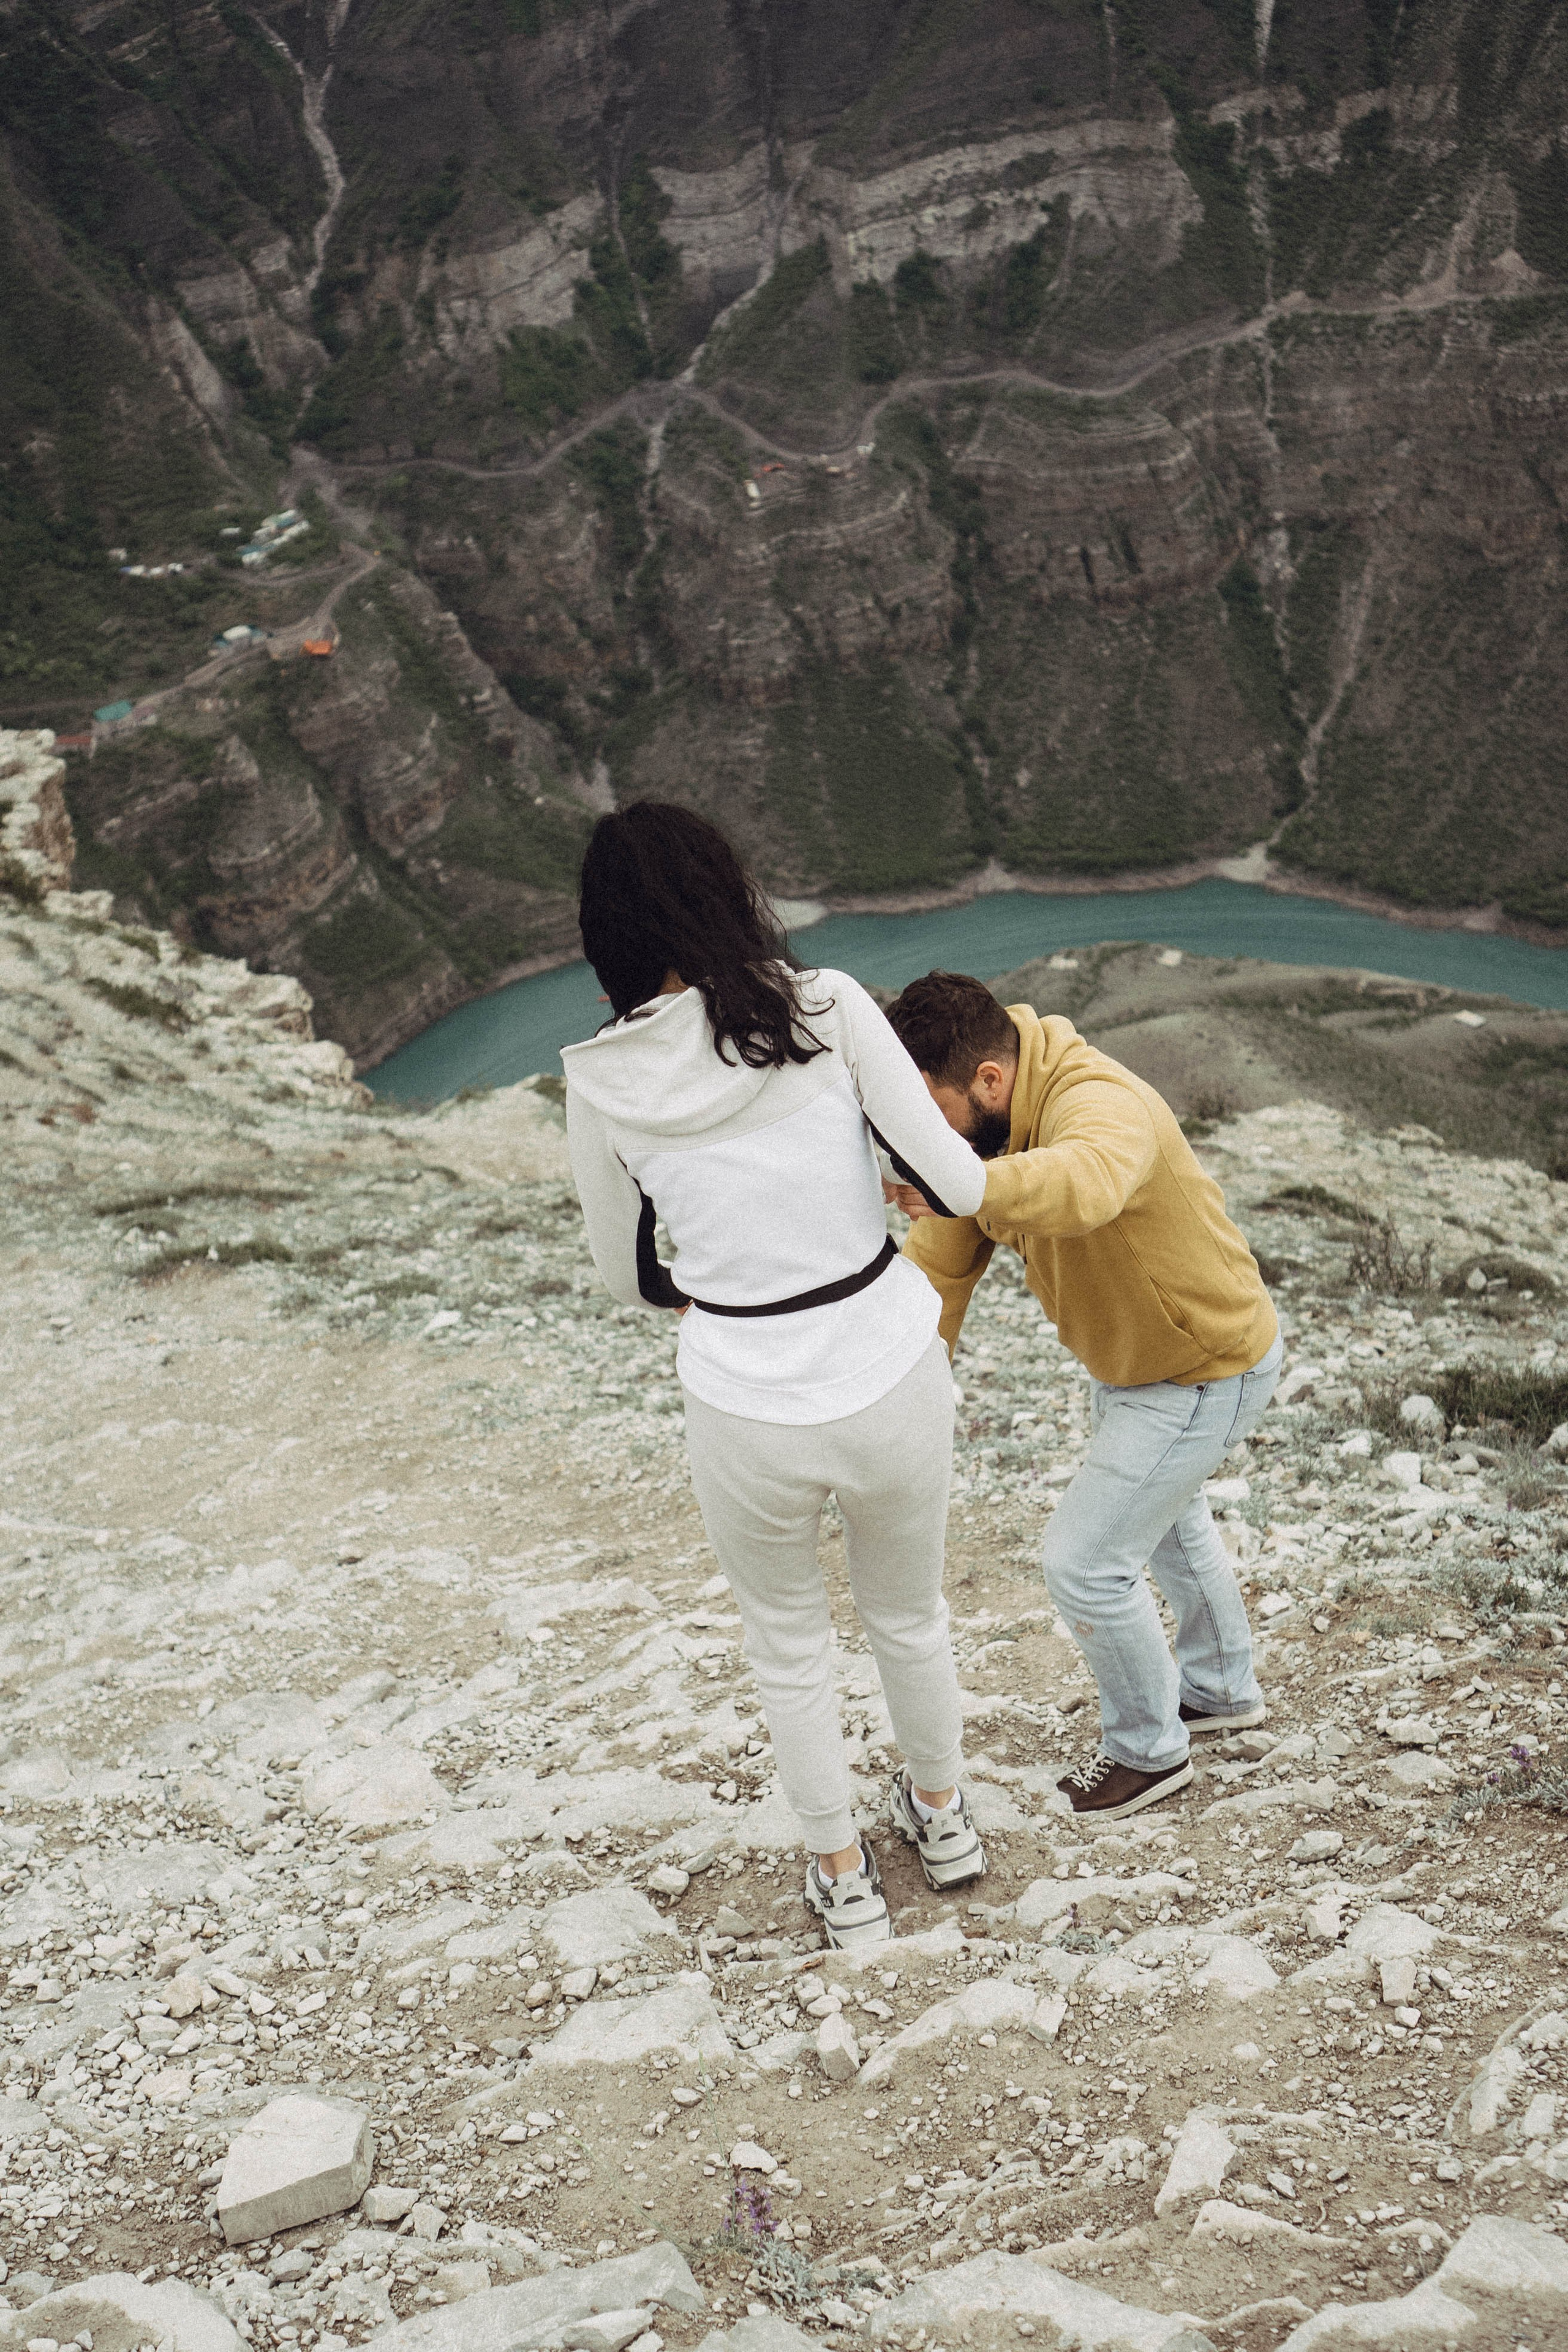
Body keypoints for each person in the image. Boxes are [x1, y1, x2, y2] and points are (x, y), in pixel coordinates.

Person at [563, 807, 991, 1946]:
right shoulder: (831, 1007)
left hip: (744, 1398)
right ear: (727, 892)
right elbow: (955, 1180)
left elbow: (624, 1275)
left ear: (607, 932)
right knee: (909, 1615)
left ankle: (843, 1875)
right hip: (890, 1359)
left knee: (789, 1645)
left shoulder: (602, 1081)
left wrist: (707, 1290)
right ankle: (945, 1822)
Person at [883, 969, 1281, 1824]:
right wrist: (903, 1402)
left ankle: (1150, 1752)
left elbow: (1088, 1181)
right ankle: (1220, 1690)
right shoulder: (977, 1146)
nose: (926, 1139)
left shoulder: (1097, 1099)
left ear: (990, 1082)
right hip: (1138, 1366)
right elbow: (935, 1279)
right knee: (1171, 1530)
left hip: (1204, 1367)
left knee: (1085, 1563)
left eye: (930, 1112)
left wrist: (970, 1184)